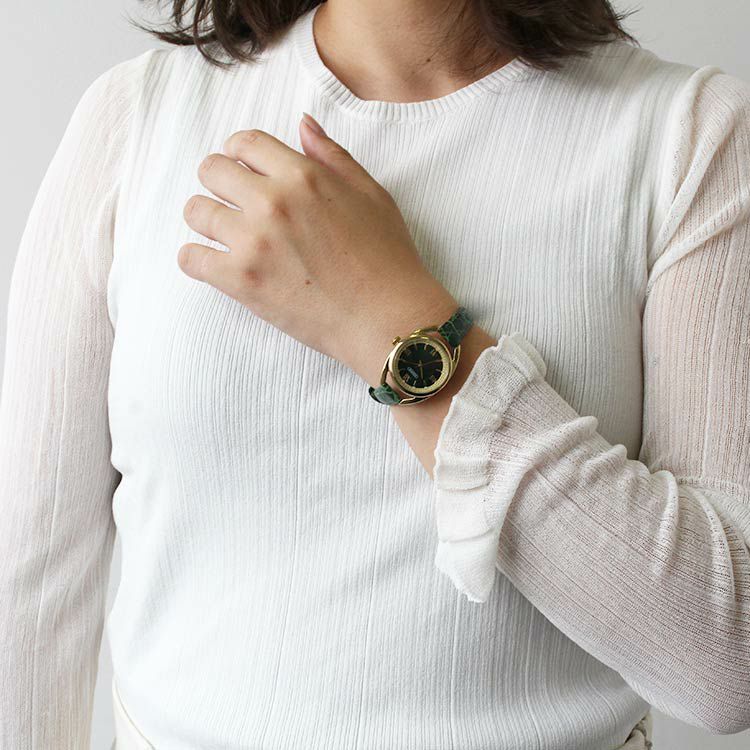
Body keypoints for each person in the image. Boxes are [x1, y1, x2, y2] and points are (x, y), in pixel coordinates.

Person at [2, 0, 749, 747]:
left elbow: (727, 664)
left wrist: (388, 323)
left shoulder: (689, 136)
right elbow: (28, 597)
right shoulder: (139, 116)